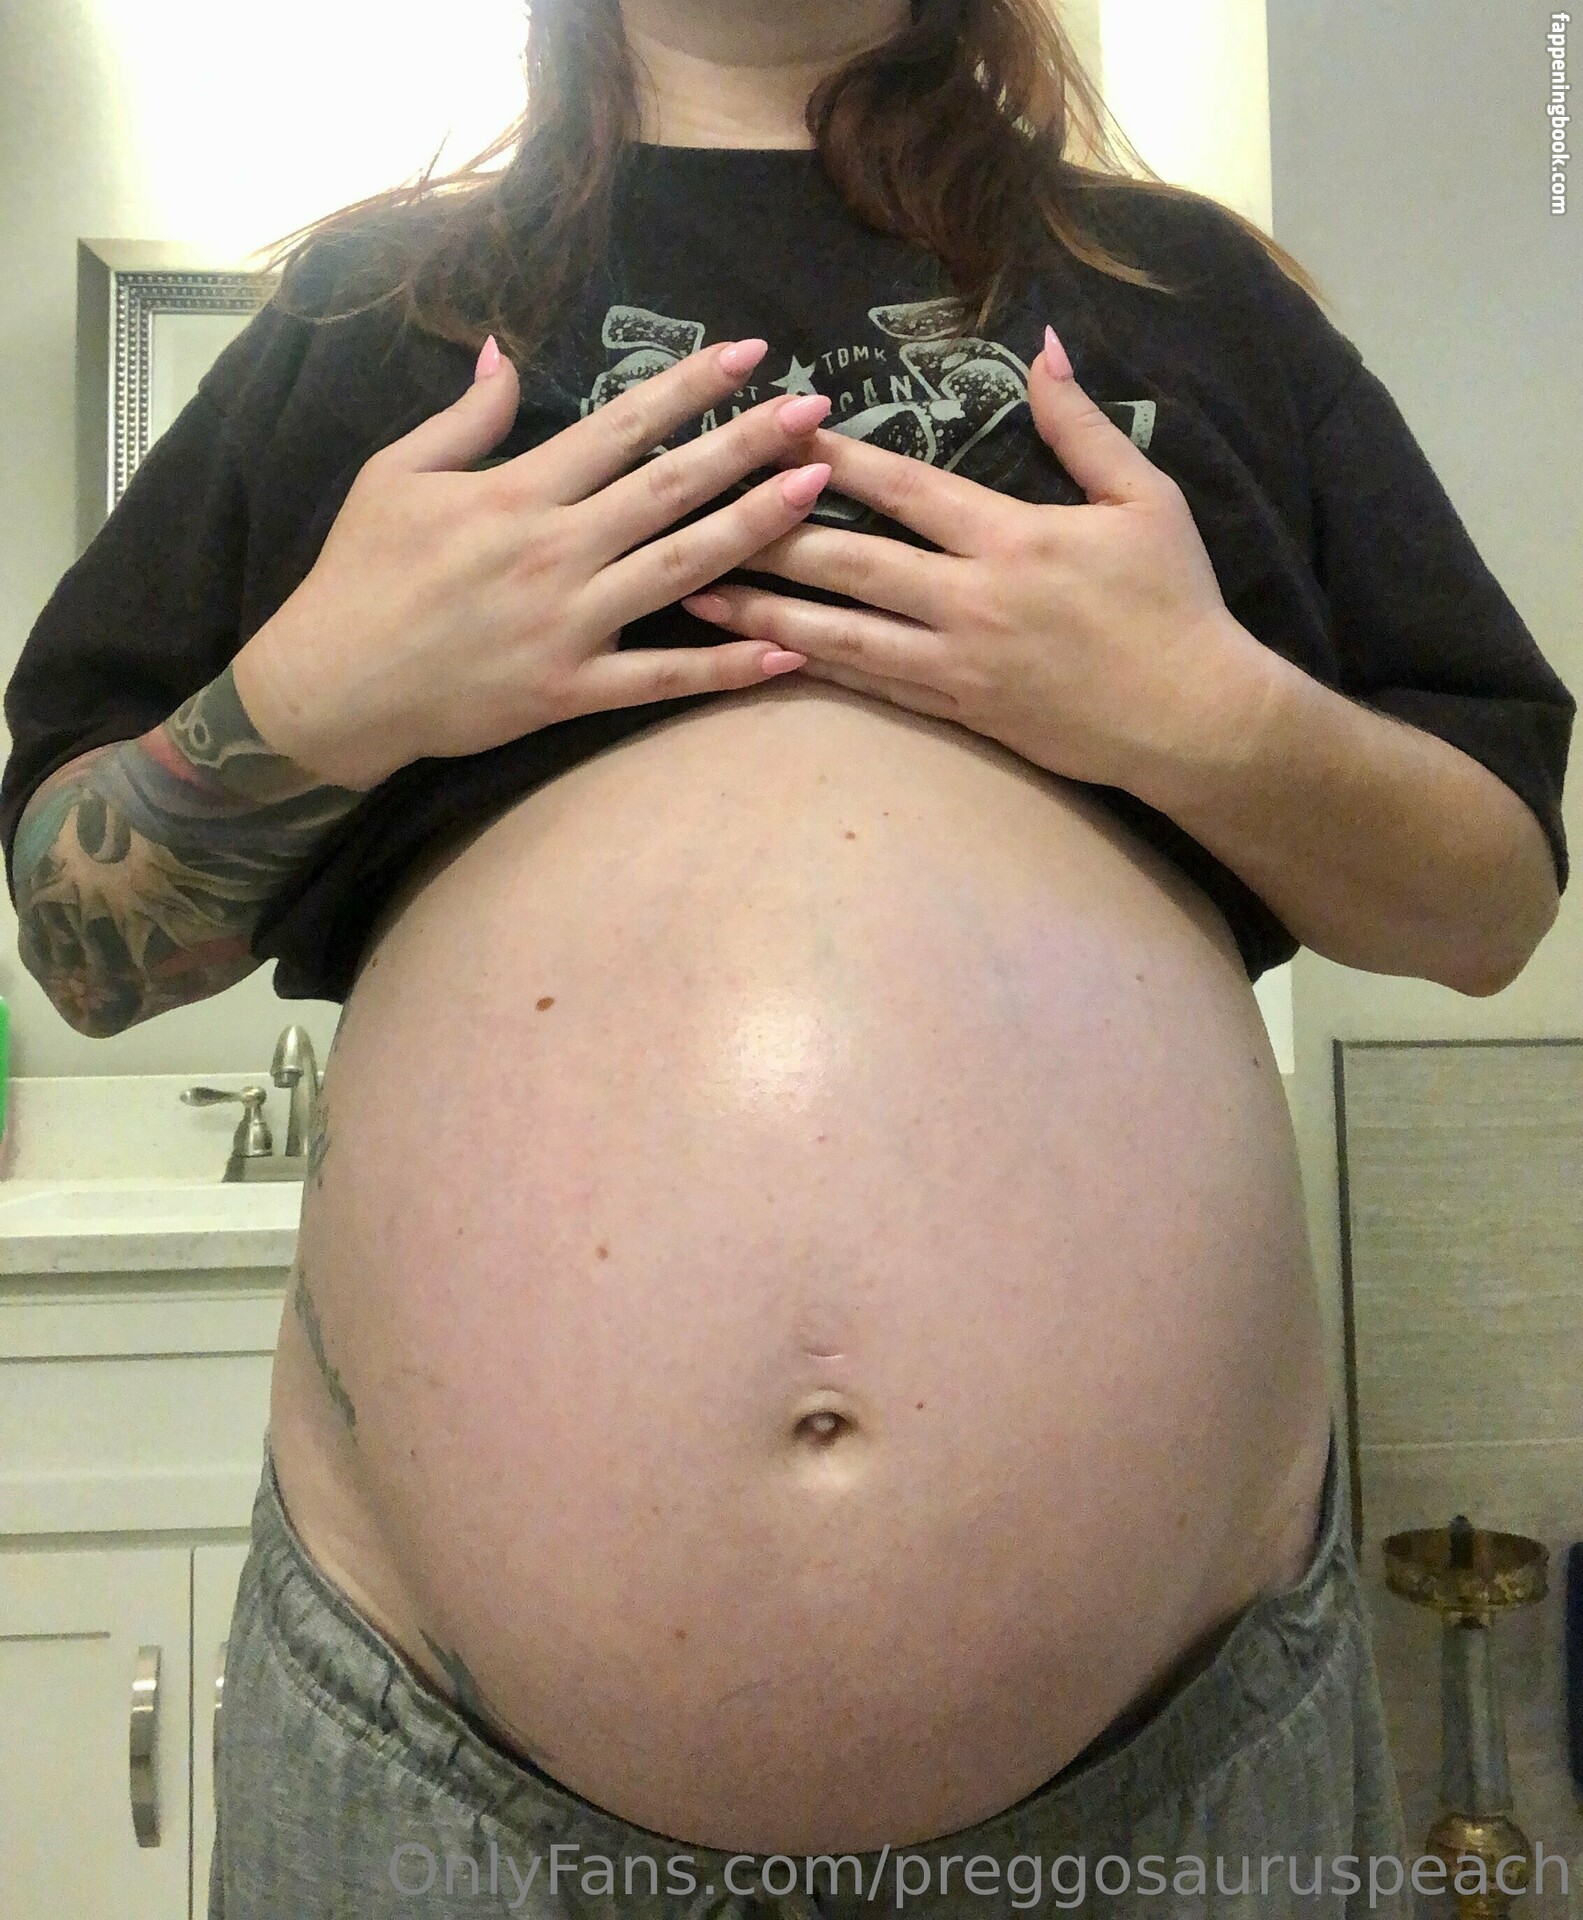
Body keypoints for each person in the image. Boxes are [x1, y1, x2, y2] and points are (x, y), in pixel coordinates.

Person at [1, 1, 1573, 1914]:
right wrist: (316, 703)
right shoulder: (374, 317)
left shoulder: (1189, 298)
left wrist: (1211, 717)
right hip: (436, 1795)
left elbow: (1487, 905)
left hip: (1184, 1776)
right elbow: (87, 948)